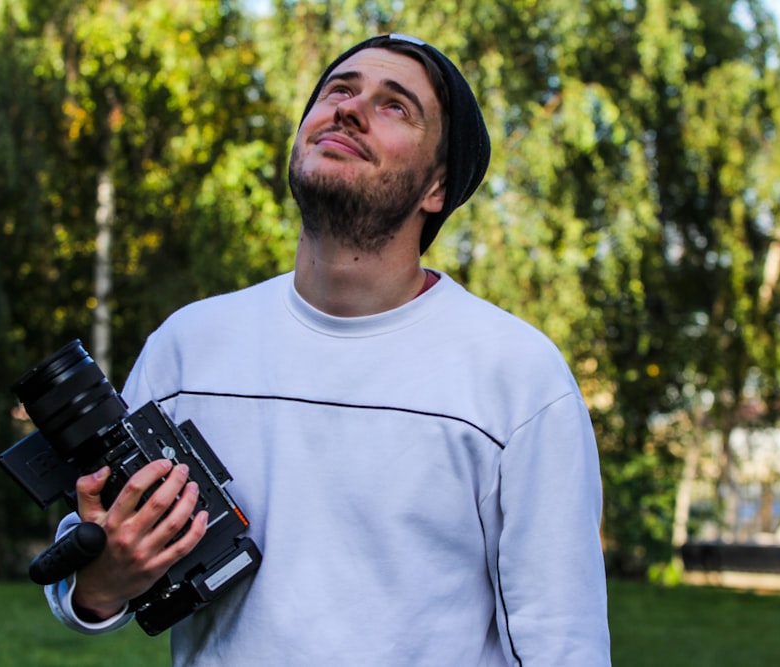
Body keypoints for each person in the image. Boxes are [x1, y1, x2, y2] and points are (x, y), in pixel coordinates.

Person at [44, 34, 611, 666]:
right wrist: (101, 583)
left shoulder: (517, 378)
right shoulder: (189, 347)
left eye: (395, 105)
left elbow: (562, 640)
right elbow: (93, 566)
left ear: (437, 187)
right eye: (339, 89)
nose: (349, 108)